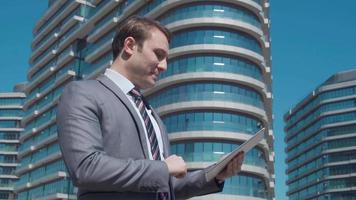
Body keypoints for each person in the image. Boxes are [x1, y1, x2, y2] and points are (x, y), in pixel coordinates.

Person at [57, 16, 244, 200]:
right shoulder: (82, 93)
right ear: (130, 46)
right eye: (159, 54)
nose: (164, 66)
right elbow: (86, 167)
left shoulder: (152, 116)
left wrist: (214, 175)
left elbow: (165, 185)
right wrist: (163, 169)